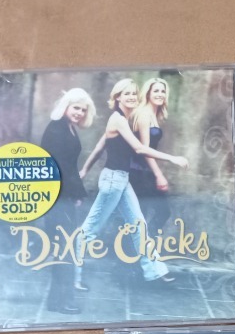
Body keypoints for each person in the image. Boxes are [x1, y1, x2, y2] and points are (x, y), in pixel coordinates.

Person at [76, 78, 189, 290]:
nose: (131, 97)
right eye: (126, 94)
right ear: (117, 97)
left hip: (121, 179)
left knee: (139, 226)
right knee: (90, 228)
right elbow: (139, 149)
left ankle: (155, 271)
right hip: (112, 180)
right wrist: (172, 158)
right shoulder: (117, 119)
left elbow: (100, 147)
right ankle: (72, 274)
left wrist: (85, 169)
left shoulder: (125, 119)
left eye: (133, 94)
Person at [39, 88, 96, 315]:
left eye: (83, 110)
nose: (80, 113)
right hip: (58, 197)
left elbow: (70, 166)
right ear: (66, 106)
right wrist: (73, 194)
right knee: (63, 248)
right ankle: (60, 302)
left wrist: (77, 194)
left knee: (65, 247)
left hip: (65, 196)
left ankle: (59, 299)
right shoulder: (56, 129)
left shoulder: (68, 127)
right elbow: (59, 168)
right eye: (76, 108)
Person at [129, 78, 173, 234]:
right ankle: (139, 245)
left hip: (146, 171)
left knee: (159, 212)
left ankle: (145, 242)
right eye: (156, 91)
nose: (160, 94)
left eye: (163, 91)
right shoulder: (144, 114)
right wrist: (159, 175)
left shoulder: (154, 114)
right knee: (143, 214)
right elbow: (145, 149)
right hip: (137, 172)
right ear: (148, 93)